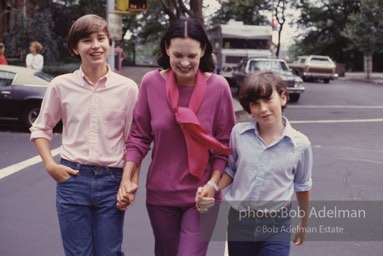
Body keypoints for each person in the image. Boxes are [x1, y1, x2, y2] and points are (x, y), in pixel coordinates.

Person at [116, 17, 236, 256]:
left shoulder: (219, 87)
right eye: (177, 54)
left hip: (205, 196)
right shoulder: (151, 83)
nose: (184, 62)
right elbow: (139, 137)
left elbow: (224, 146)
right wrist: (126, 179)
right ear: (166, 48)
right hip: (161, 194)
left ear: (203, 50)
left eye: (191, 55)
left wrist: (212, 185)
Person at [30, 14, 138, 256]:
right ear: (75, 48)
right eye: (87, 40)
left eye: (101, 38)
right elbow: (41, 128)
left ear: (109, 43)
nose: (96, 45)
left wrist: (129, 181)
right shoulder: (60, 85)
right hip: (72, 179)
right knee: (78, 254)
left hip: (112, 180)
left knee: (109, 252)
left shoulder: (128, 88)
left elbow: (134, 140)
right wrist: (50, 165)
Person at [196, 71, 313, 256]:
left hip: (277, 225)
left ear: (283, 97)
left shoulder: (300, 144)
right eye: (255, 104)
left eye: (268, 100)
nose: (263, 108)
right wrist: (213, 186)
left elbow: (303, 186)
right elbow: (232, 169)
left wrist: (304, 224)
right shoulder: (239, 134)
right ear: (249, 108)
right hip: (240, 223)